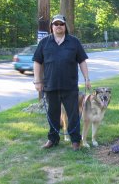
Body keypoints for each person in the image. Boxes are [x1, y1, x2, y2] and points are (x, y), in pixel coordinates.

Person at [33, 14, 91, 151]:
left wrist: (87, 78)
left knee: (73, 115)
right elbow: (37, 62)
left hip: (70, 86)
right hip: (50, 85)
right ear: (51, 27)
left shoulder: (74, 42)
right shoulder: (44, 43)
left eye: (61, 24)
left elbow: (82, 61)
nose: (59, 26)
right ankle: (53, 139)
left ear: (65, 26)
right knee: (53, 114)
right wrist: (37, 81)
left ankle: (75, 140)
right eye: (56, 24)